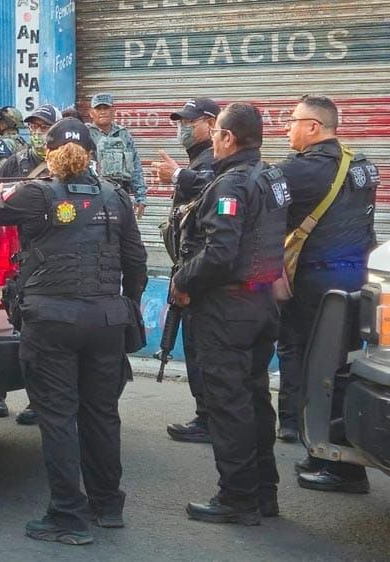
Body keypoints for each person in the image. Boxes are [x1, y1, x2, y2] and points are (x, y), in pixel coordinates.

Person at [0, 118, 147, 544]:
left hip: (52, 320)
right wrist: (127, 307)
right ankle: (107, 506)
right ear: (91, 153)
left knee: (57, 417)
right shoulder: (117, 197)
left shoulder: (36, 193)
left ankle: (68, 516)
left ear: (49, 153)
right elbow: (137, 262)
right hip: (107, 320)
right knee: (102, 414)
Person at [172, 103, 290, 525]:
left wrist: (184, 280)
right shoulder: (272, 177)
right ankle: (263, 493)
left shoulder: (231, 184)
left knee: (230, 404)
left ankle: (238, 498)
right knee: (255, 398)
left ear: (228, 137)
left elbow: (220, 253)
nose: (213, 137)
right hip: (260, 304)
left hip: (229, 307)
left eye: (217, 131)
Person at [277, 95, 377, 492]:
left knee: (314, 370)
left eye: (293, 120)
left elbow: (254, 194)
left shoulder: (302, 171)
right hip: (358, 282)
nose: (287, 128)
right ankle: (327, 454)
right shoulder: (362, 166)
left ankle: (341, 467)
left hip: (316, 286)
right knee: (345, 370)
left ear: (314, 127)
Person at [152, 98, 220, 444]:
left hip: (200, 273)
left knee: (201, 348)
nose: (183, 128)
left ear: (210, 122)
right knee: (193, 345)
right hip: (189, 266)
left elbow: (210, 186)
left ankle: (210, 418)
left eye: (189, 121)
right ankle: (205, 414)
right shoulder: (199, 158)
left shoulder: (216, 157)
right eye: (180, 121)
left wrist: (179, 175)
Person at [87, 93, 147, 218]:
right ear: (91, 113)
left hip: (121, 194)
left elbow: (135, 167)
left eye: (106, 108)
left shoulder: (124, 135)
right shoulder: (85, 134)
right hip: (94, 196)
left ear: (113, 111)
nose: (103, 112)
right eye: (98, 109)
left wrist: (140, 197)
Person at [0, 104, 61, 179]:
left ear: (58, 130)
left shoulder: (68, 163)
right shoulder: (14, 163)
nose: (37, 132)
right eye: (33, 127)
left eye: (44, 127)